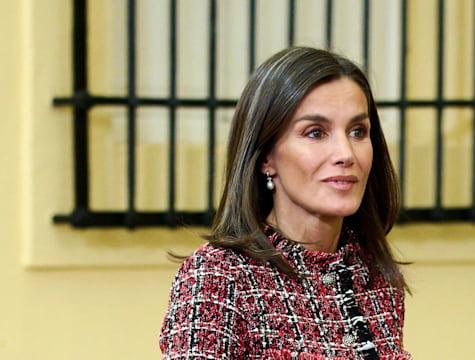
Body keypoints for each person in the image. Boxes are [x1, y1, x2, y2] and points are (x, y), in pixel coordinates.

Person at [159, 47, 412, 360]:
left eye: (357, 131)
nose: (346, 153)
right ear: (266, 157)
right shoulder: (219, 276)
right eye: (316, 133)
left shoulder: (376, 278)